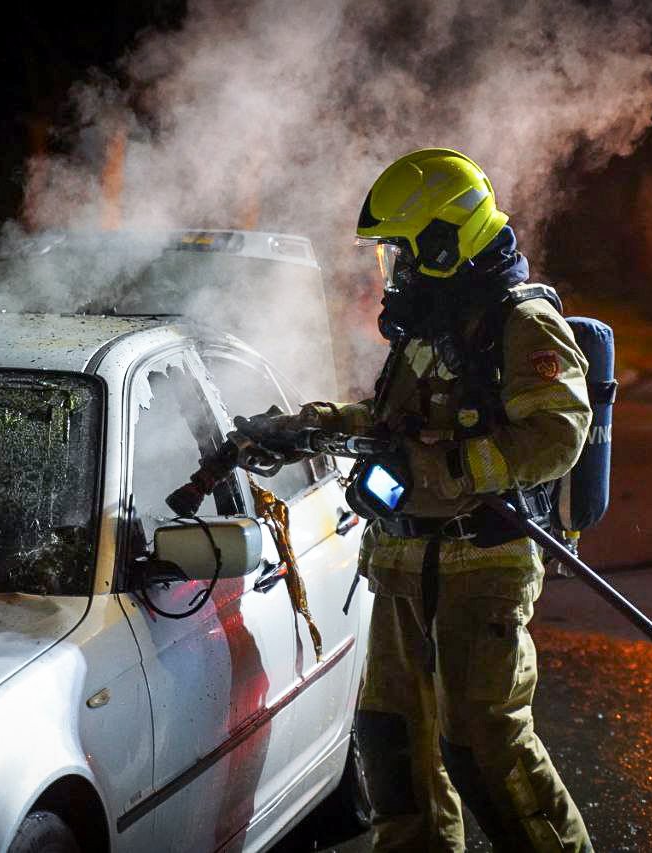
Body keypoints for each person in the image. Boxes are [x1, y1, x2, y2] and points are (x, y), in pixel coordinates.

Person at [249, 149, 594, 851]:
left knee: (483, 742)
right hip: (401, 563)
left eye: (402, 254)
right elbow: (392, 430)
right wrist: (304, 427)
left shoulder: (521, 324)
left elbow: (559, 433)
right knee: (392, 740)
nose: (392, 272)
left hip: (481, 563)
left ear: (445, 241)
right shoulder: (427, 328)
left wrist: (443, 467)